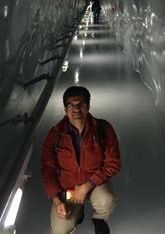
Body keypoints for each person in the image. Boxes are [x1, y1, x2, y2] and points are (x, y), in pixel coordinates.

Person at [41, 86, 121, 234]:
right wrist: (56, 200)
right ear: (65, 110)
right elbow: (48, 170)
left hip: (94, 184)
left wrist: (86, 186)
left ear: (88, 106)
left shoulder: (103, 129)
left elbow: (113, 163)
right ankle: (77, 213)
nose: (76, 109)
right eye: (71, 105)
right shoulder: (55, 135)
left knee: (106, 199)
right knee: (59, 230)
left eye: (81, 105)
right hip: (68, 189)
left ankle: (99, 218)